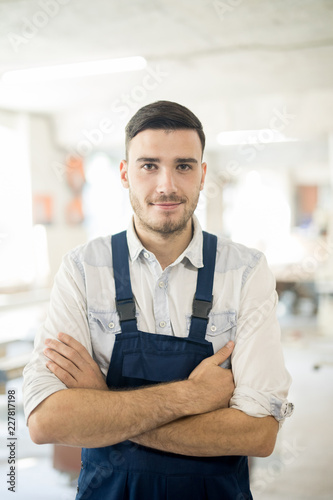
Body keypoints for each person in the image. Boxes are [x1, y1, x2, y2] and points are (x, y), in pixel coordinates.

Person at [23, 100, 293, 500]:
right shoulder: (82, 270)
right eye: (149, 165)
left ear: (202, 175)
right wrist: (193, 396)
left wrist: (103, 406)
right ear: (124, 174)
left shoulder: (245, 272)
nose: (166, 185)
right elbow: (46, 422)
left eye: (183, 166)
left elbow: (257, 434)